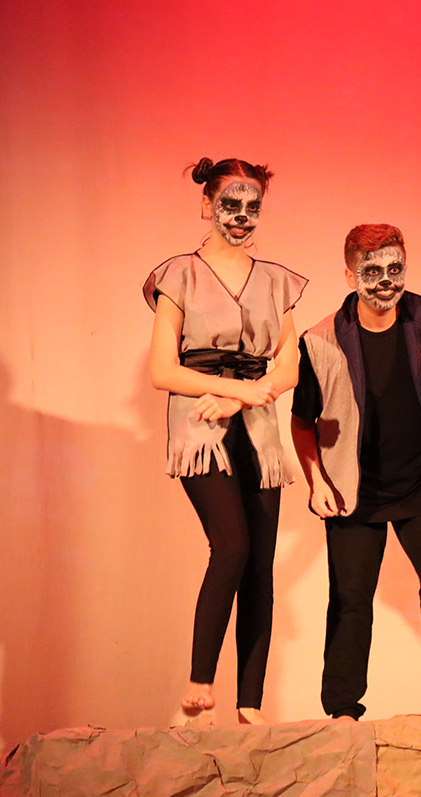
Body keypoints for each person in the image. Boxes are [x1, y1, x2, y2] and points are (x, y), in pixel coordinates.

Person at [290, 223, 421, 721]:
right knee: (350, 599)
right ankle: (342, 711)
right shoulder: (321, 341)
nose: (384, 280)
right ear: (349, 275)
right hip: (354, 489)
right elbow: (301, 423)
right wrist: (316, 482)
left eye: (394, 268)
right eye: (371, 270)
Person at [145, 157, 306, 725]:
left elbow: (288, 366)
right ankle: (200, 680)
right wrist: (230, 390)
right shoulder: (178, 275)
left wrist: (242, 398)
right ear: (206, 205)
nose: (240, 216)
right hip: (200, 426)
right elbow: (163, 370)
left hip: (257, 427)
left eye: (251, 206)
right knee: (232, 545)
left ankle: (250, 704)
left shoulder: (276, 280)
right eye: (229, 204)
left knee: (259, 565)